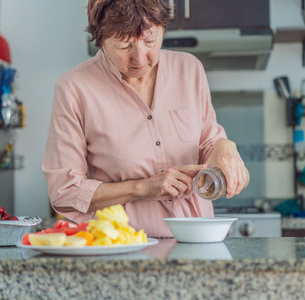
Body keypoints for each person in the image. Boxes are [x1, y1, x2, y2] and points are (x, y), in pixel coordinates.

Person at [42, 0, 249, 237]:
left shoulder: (189, 70)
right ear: (100, 39)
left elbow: (207, 144)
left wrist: (224, 146)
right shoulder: (74, 89)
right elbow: (64, 193)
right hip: (123, 248)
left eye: (150, 41)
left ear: (163, 28)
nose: (140, 59)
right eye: (123, 46)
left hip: (199, 245)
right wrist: (142, 188)